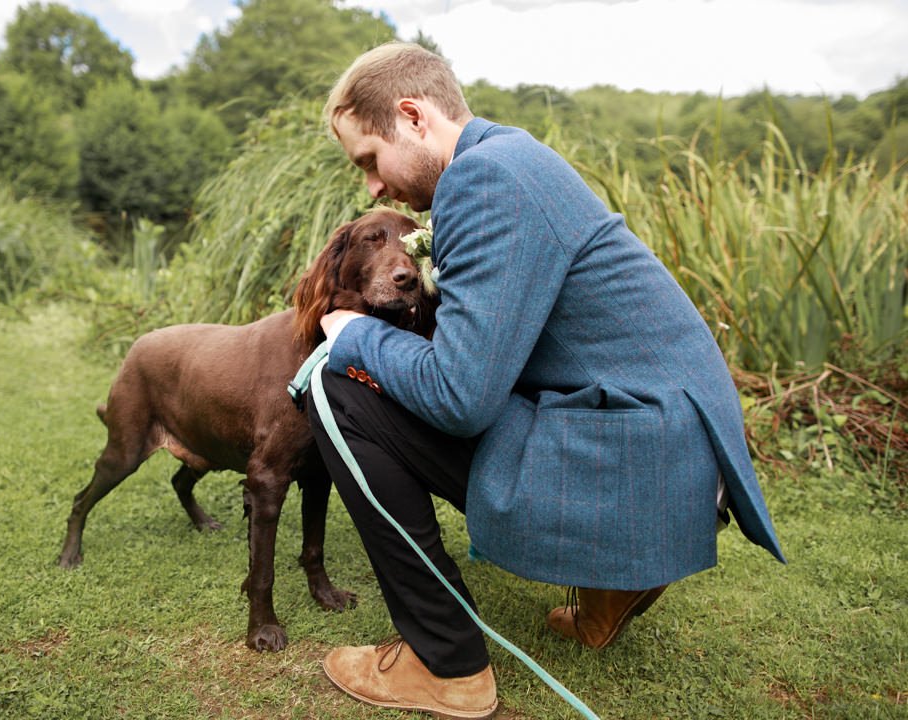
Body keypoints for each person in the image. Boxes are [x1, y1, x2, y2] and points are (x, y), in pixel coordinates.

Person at [306, 41, 785, 719]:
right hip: (667, 455)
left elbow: (459, 398)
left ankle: (445, 664)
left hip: (642, 468)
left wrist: (356, 337)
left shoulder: (483, 181)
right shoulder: (511, 156)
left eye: (369, 162)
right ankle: (610, 589)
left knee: (338, 387)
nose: (374, 189)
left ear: (413, 117)